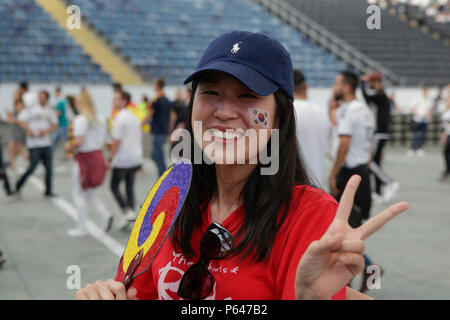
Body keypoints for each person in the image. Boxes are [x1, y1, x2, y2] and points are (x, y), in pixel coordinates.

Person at [74, 31, 408, 300]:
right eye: (211, 92)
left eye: (248, 96)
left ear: (278, 119)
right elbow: (137, 291)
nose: (224, 111)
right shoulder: (171, 194)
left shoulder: (309, 214)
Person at [329, 70, 379, 292]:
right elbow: (369, 149)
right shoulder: (365, 110)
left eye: (337, 82)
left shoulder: (350, 111)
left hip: (349, 172)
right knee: (350, 230)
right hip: (362, 172)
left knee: (340, 230)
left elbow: (344, 144)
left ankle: (361, 272)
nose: (334, 85)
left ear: (346, 87)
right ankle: (366, 270)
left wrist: (333, 173)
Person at [64, 91, 113, 237]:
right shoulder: (101, 119)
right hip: (97, 156)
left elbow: (79, 141)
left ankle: (82, 227)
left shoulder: (80, 120)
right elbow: (104, 141)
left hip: (85, 159)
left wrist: (68, 147)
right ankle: (105, 214)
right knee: (88, 193)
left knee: (79, 194)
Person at [360, 71, 399, 203]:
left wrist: (362, 82)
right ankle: (377, 192)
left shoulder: (380, 95)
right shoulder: (381, 94)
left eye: (371, 82)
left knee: (370, 162)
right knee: (376, 161)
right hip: (380, 133)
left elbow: (366, 96)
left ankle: (389, 182)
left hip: (379, 133)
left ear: (375, 82)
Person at [109, 91, 143, 230]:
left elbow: (117, 141)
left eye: (116, 99)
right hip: (135, 158)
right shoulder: (134, 117)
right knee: (129, 186)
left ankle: (126, 210)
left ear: (124, 101)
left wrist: (110, 158)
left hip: (123, 159)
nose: (113, 102)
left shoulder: (119, 118)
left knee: (114, 186)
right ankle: (130, 213)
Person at [15, 90, 58, 197]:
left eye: (43, 97)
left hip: (46, 143)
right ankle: (18, 184)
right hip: (34, 144)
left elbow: (55, 124)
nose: (41, 99)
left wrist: (46, 131)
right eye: (40, 97)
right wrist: (29, 130)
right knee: (32, 166)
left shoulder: (49, 110)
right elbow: (20, 120)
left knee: (48, 167)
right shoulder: (31, 109)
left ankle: (48, 190)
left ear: (47, 98)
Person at [293, 69, 330, 186]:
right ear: (306, 87)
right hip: (317, 183)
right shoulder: (322, 111)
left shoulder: (287, 112)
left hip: (294, 186)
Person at [144, 78, 175, 176]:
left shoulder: (156, 99)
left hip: (158, 130)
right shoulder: (167, 99)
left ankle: (163, 174)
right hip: (164, 130)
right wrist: (170, 129)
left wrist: (141, 123)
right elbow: (173, 115)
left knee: (158, 154)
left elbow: (150, 113)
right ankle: (163, 172)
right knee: (155, 154)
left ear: (157, 86)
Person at [408, 85, 433, 157]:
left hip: (425, 120)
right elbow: (412, 109)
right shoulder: (417, 98)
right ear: (423, 91)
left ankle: (419, 148)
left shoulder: (429, 100)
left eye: (427, 90)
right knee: (415, 135)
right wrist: (418, 114)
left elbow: (430, 110)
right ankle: (412, 149)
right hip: (417, 120)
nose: (426, 92)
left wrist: (428, 115)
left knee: (423, 135)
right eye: (425, 90)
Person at [6, 98, 29, 172]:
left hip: (20, 136)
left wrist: (14, 119)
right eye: (18, 105)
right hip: (14, 135)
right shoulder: (15, 113)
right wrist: (11, 116)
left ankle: (36, 163)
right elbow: (8, 120)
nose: (20, 106)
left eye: (21, 105)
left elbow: (22, 122)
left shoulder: (24, 113)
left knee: (22, 152)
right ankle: (11, 168)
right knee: (12, 152)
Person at [51, 88, 71, 156]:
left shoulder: (59, 102)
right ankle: (50, 154)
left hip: (61, 124)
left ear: (58, 92)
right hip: (65, 123)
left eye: (55, 93)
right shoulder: (65, 101)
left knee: (64, 141)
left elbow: (58, 113)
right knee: (56, 140)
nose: (55, 94)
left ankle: (69, 154)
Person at [440, 95, 450, 181]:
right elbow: (445, 126)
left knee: (447, 152)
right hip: (448, 134)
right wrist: (444, 135)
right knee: (446, 152)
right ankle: (447, 171)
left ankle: (447, 171)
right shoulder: (446, 111)